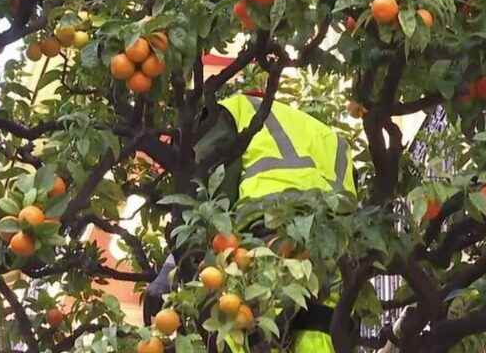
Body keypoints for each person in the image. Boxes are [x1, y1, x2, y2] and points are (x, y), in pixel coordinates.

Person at [143, 93, 356, 352]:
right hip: (336, 246)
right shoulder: (326, 135)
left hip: (271, 231)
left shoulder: (231, 113)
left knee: (243, 328)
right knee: (319, 327)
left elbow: (212, 209)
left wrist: (167, 273)